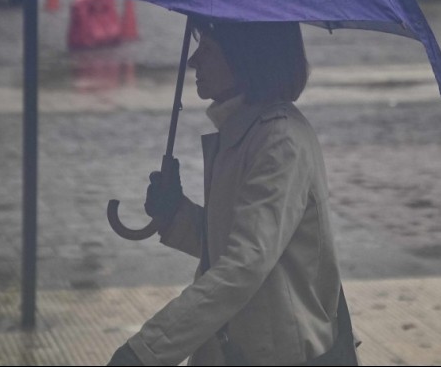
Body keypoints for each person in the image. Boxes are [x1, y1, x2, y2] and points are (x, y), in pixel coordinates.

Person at [108, 19, 357, 366]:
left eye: (208, 49)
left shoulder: (278, 141)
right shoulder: (244, 131)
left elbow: (244, 267)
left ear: (246, 57)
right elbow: (238, 243)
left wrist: (145, 353)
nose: (194, 61)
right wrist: (176, 214)